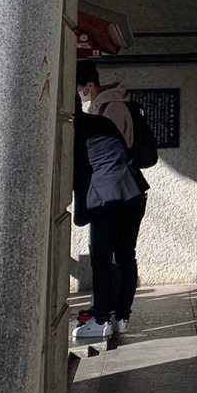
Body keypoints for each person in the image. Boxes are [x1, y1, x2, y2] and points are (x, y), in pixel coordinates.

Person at [72, 89, 148, 343]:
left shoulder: (73, 131)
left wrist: (80, 214)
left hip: (107, 198)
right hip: (133, 191)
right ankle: (121, 317)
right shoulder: (101, 122)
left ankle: (101, 319)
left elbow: (78, 176)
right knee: (126, 255)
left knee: (101, 259)